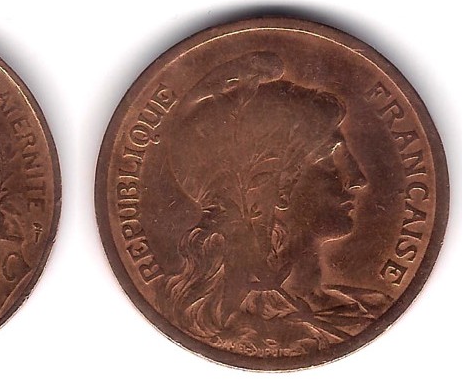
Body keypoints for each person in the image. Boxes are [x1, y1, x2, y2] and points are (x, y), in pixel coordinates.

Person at [158, 52, 389, 358]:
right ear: (279, 187)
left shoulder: (366, 307)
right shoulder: (251, 334)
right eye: (333, 158)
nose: (358, 179)